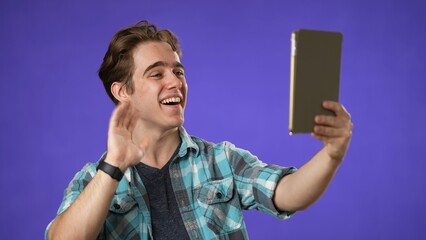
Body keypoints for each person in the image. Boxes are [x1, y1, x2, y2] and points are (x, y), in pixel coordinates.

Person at [46, 20, 353, 240]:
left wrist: (332, 154)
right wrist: (113, 167)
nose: (175, 82)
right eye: (157, 73)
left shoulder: (221, 160)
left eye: (178, 71)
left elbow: (288, 194)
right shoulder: (94, 179)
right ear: (122, 91)